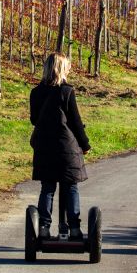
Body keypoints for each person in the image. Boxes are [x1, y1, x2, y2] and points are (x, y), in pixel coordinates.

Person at [30, 52, 91, 239]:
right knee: (70, 187)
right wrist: (85, 144)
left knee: (47, 187)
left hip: (44, 147)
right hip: (66, 148)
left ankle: (43, 228)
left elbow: (34, 120)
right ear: (62, 69)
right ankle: (73, 229)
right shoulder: (67, 92)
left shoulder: (36, 92)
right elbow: (75, 122)